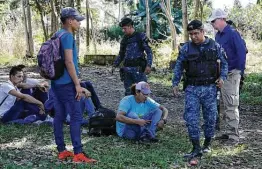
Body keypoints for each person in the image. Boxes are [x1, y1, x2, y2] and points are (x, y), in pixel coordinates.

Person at [172, 20, 228, 158]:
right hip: (192, 88)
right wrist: (175, 83)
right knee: (191, 118)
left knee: (211, 118)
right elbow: (179, 66)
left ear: (203, 31)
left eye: (196, 33)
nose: (193, 37)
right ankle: (196, 147)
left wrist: (222, 78)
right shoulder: (186, 48)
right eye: (191, 34)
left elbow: (225, 64)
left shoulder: (215, 46)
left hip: (210, 88)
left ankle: (207, 144)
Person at [51, 7, 96, 163]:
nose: (79, 23)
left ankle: (62, 150)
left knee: (59, 116)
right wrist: (78, 85)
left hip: (55, 83)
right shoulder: (68, 36)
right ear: (69, 20)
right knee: (76, 116)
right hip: (67, 83)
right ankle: (78, 153)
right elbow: (69, 61)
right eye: (77, 20)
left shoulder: (56, 34)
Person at [208, 9, 247, 145]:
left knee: (231, 104)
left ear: (221, 19)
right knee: (223, 104)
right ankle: (229, 132)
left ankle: (234, 136)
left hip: (232, 73)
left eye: (214, 21)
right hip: (222, 74)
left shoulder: (233, 34)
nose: (212, 24)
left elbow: (242, 53)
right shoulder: (218, 36)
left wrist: (239, 73)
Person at [112, 18, 153, 96]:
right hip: (127, 71)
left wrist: (149, 65)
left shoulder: (140, 37)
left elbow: (149, 52)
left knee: (143, 93)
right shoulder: (124, 39)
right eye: (123, 29)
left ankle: (144, 108)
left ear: (130, 26)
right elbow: (121, 54)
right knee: (129, 94)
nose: (123, 30)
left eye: (125, 28)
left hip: (138, 70)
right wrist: (115, 65)